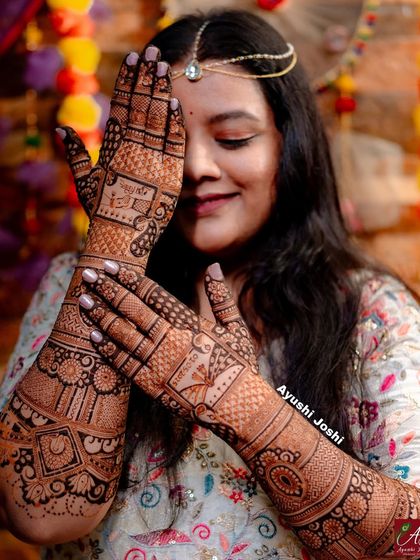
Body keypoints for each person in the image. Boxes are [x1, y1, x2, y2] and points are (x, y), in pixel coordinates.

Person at [0, 9, 419, 560]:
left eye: (233, 138)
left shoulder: (369, 310)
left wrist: (246, 408)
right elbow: (39, 516)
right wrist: (115, 243)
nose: (195, 166)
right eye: (165, 145)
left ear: (286, 147)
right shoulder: (74, 283)